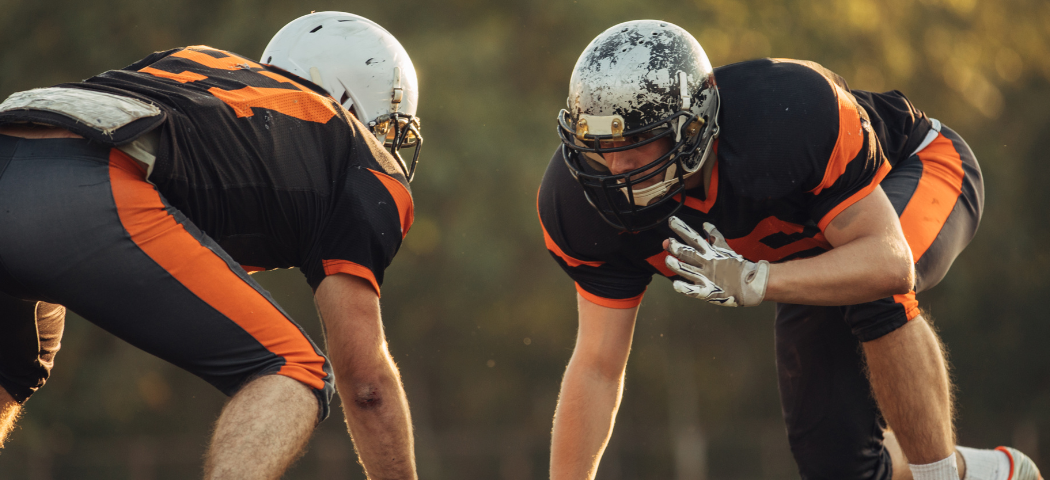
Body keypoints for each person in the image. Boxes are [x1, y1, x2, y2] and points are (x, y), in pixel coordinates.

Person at [538, 19, 1041, 480]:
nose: (618, 167)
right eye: (599, 149)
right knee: (838, 465)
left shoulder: (784, 114)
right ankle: (987, 474)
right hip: (817, 251)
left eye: (639, 143)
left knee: (873, 295)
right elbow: (597, 366)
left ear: (694, 127)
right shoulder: (578, 203)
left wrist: (760, 280)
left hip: (920, 169)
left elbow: (887, 263)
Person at [0, 11, 421, 479]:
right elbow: (367, 387)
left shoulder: (193, 60)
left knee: (14, 368)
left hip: (21, 139)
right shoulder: (357, 150)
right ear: (353, 99)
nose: (387, 143)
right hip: (84, 182)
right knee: (293, 369)